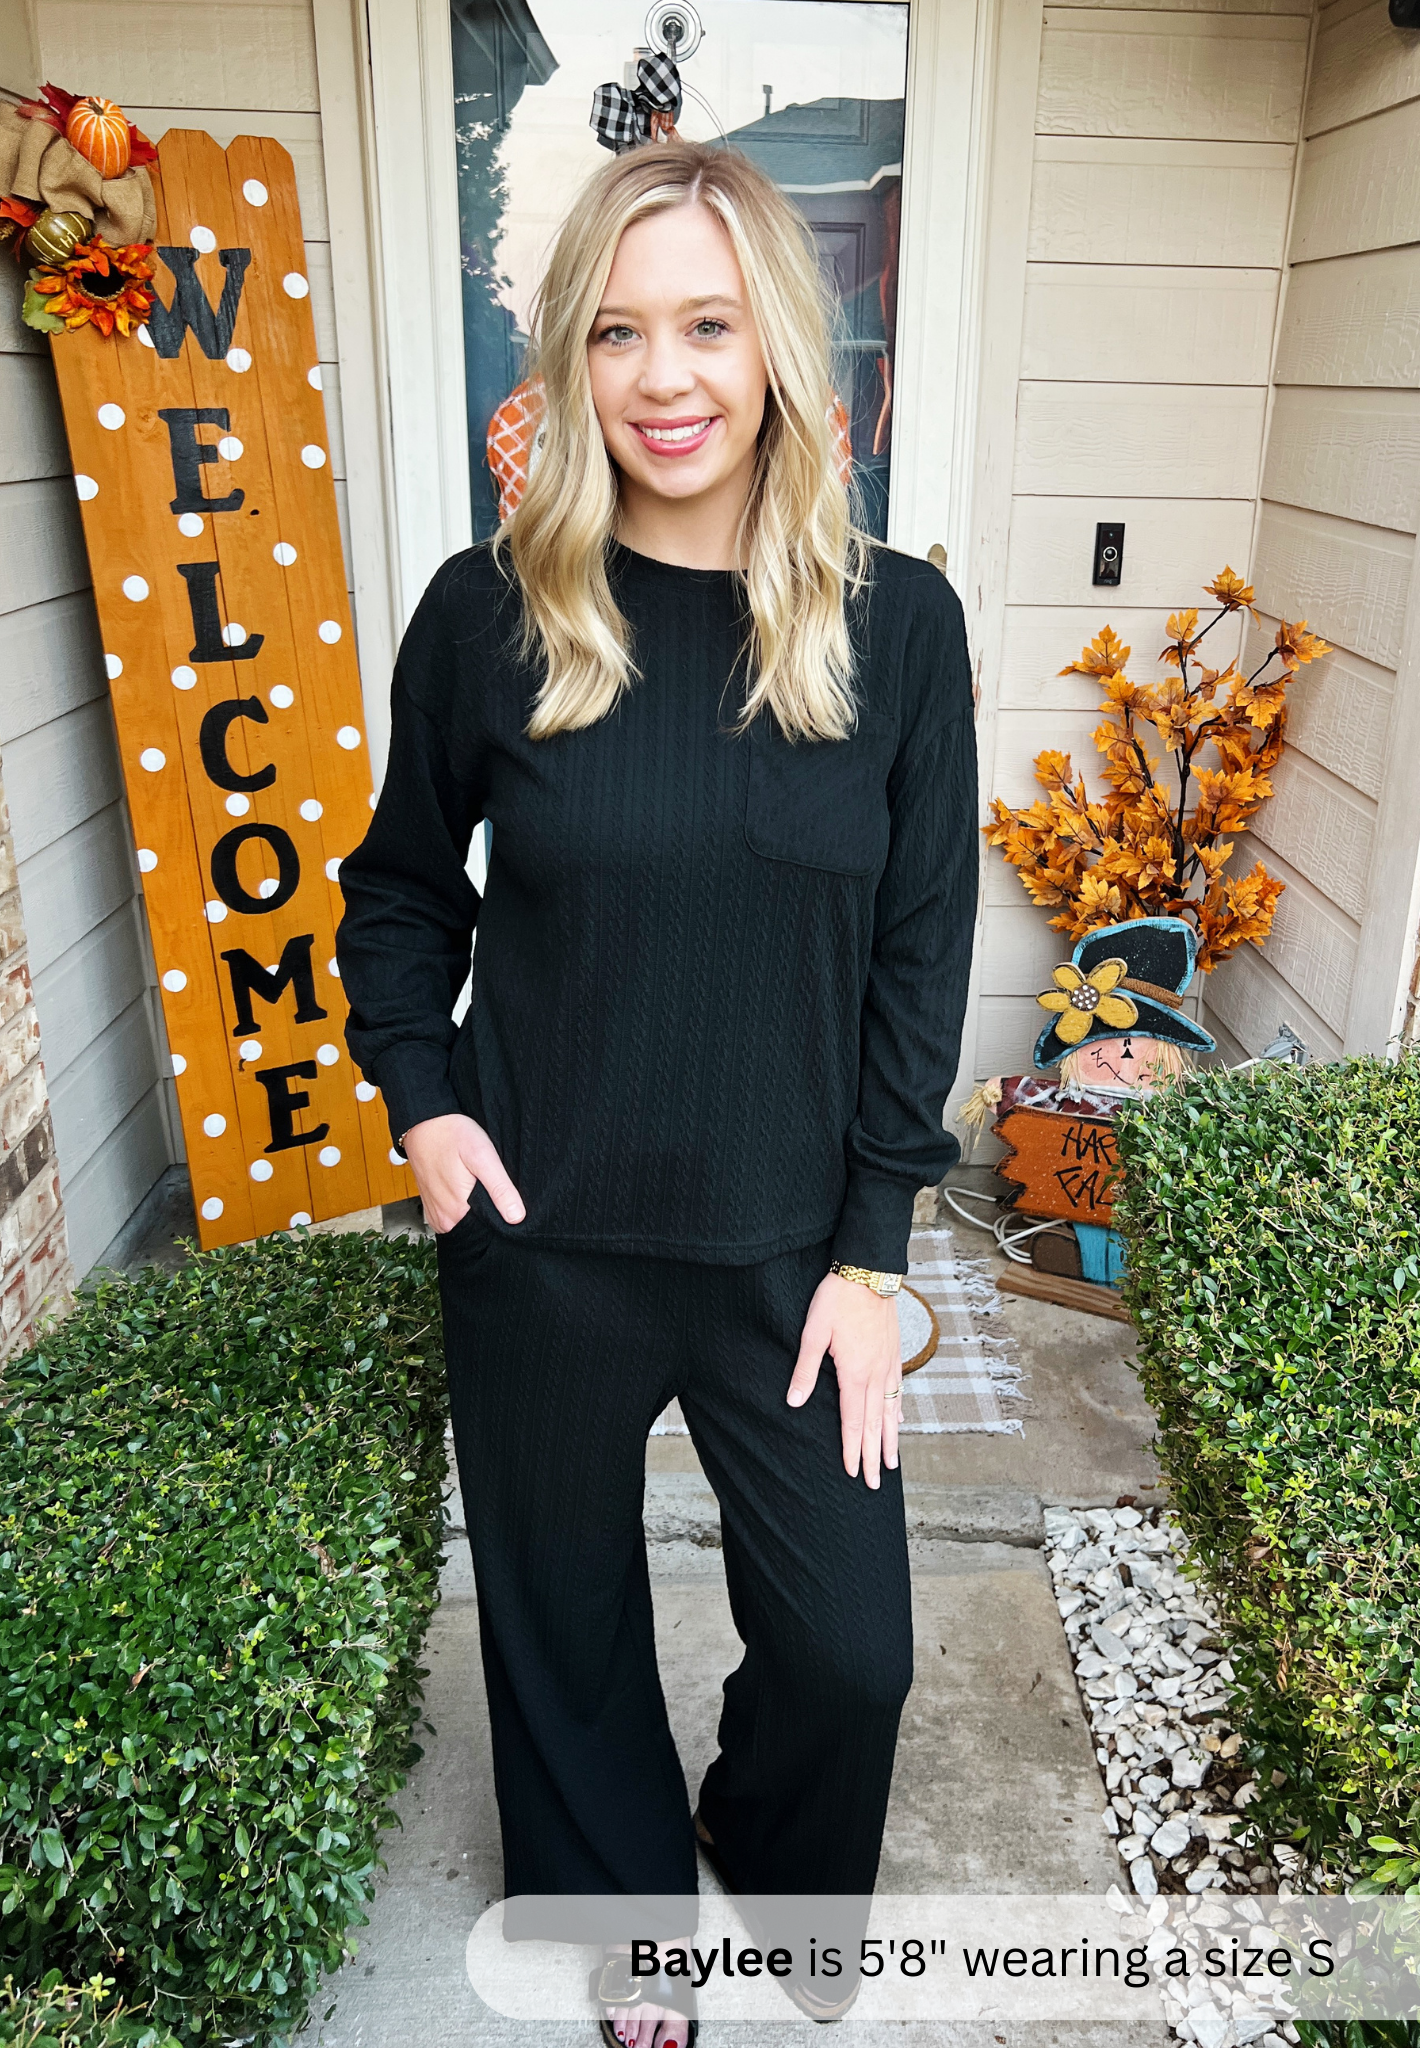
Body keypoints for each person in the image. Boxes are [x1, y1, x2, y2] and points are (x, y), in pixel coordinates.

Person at [335, 136, 978, 2048]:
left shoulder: (898, 630)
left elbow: (916, 957)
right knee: (564, 1617)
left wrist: (873, 1252)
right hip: (540, 1229)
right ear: (570, 359)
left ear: (780, 344)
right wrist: (426, 1103)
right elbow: (392, 891)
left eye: (708, 323)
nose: (665, 375)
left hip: (785, 1249)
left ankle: (767, 1856)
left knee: (850, 1654)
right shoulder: (489, 615)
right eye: (618, 330)